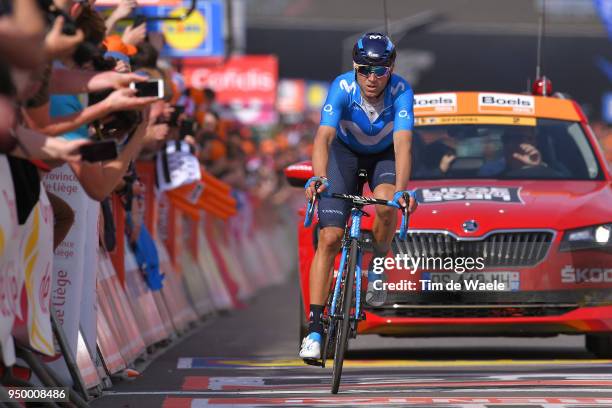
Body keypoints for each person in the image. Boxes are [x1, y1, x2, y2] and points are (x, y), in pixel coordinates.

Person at [299, 32, 418, 360]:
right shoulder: (342, 87)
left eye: (380, 70)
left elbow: (403, 145)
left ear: (391, 68)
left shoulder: (402, 91)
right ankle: (314, 328)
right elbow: (323, 137)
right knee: (329, 238)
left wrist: (403, 191)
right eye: (365, 69)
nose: (372, 78)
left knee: (385, 202)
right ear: (355, 66)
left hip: (384, 158)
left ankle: (379, 257)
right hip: (344, 154)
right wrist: (320, 178)